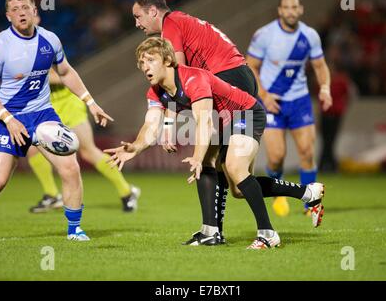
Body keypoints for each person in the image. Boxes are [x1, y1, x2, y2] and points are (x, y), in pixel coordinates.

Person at [105, 37, 325, 249]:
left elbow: (205, 123)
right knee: (238, 189)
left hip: (245, 113)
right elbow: (151, 126)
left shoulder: (192, 78)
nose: (145, 66)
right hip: (224, 122)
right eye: (141, 62)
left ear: (168, 61)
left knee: (233, 167)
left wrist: (198, 157)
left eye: (150, 59)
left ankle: (268, 234)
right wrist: (135, 147)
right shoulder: (156, 92)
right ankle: (213, 231)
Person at [0, 0, 113, 241]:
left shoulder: (50, 40)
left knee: (70, 168)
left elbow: (66, 72)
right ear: (8, 16)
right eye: (15, 9)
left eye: (25, 7)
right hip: (8, 118)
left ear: (34, 11)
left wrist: (91, 103)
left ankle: (75, 229)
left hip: (42, 114)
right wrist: (9, 119)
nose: (21, 13)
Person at [132, 0, 259, 241]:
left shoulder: (171, 25)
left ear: (153, 12)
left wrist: (168, 125)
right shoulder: (181, 20)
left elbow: (175, 75)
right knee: (236, 181)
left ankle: (213, 231)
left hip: (228, 78)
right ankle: (305, 193)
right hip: (239, 77)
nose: (137, 23)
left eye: (138, 16)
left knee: (215, 163)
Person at [246, 0, 332, 217]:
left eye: (295, 8)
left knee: (307, 151)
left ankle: (311, 204)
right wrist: (263, 95)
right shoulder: (265, 35)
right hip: (272, 101)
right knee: (276, 157)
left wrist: (324, 88)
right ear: (279, 11)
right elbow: (250, 65)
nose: (291, 12)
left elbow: (320, 66)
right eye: (287, 8)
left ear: (301, 10)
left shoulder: (310, 35)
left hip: (300, 101)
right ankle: (278, 193)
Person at [27, 68, 140, 213]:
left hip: (69, 105)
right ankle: (52, 195)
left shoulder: (45, 46)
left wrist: (27, 76)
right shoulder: (19, 53)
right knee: (33, 149)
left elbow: (62, 76)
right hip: (47, 107)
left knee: (88, 151)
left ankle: (127, 192)